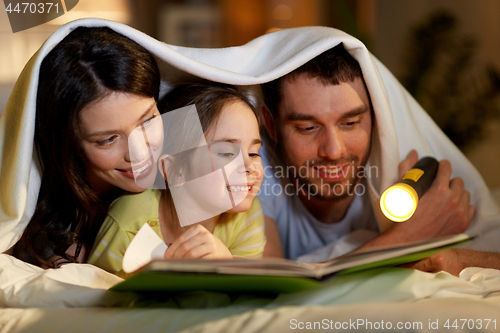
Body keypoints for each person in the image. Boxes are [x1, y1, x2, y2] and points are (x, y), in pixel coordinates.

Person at [258, 45, 476, 262]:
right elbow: (265, 282)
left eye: (350, 123)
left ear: (376, 116)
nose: (334, 151)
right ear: (271, 125)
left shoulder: (405, 165)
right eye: (308, 128)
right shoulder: (252, 167)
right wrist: (406, 238)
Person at [9, 26, 162, 268]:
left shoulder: (192, 161)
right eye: (108, 139)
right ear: (68, 143)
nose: (140, 153)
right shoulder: (43, 229)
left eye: (148, 120)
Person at [88, 83, 268, 277]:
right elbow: (92, 293)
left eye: (253, 153)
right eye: (226, 153)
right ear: (175, 171)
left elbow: (246, 296)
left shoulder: (247, 216)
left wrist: (226, 266)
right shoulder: (129, 224)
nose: (249, 167)